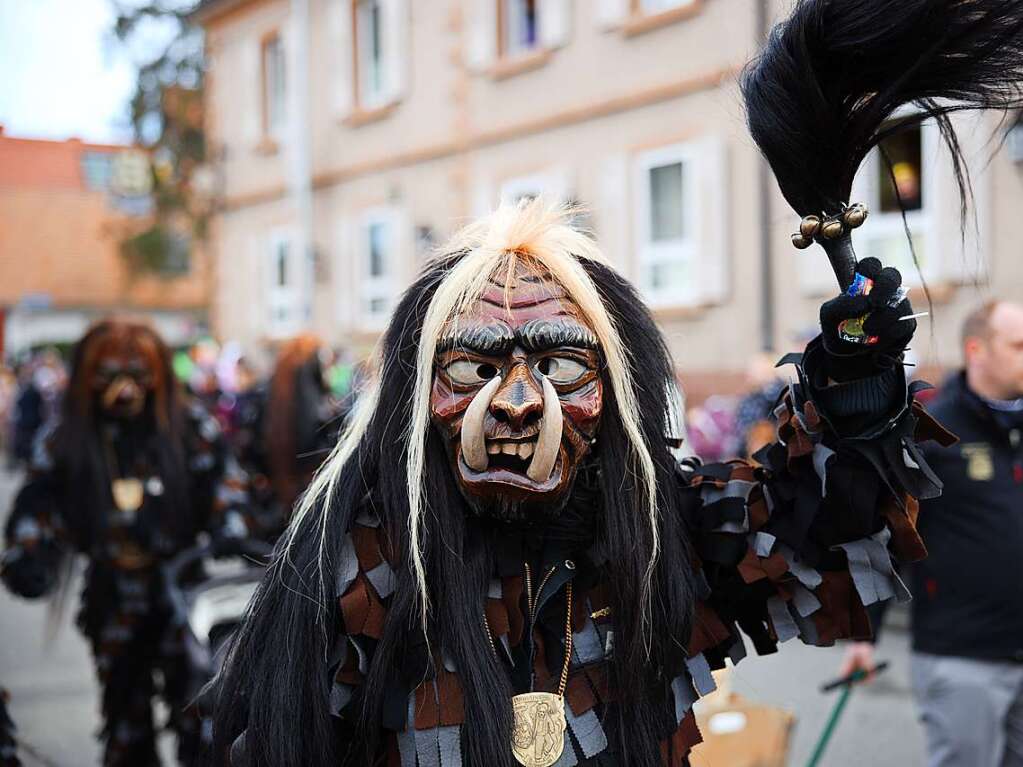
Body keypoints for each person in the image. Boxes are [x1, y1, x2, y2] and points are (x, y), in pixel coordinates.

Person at [0, 319, 254, 767]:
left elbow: (224, 480)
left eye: (137, 376)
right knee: (125, 719)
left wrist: (228, 524)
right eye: (109, 376)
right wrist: (29, 552)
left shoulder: (188, 425)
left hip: (181, 590)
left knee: (200, 708)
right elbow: (39, 500)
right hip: (112, 593)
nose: (124, 390)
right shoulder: (69, 438)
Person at [840, 300, 1023, 767]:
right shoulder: (932, 432)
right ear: (976, 349)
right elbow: (888, 536)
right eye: (1018, 345)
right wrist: (865, 635)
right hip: (962, 653)